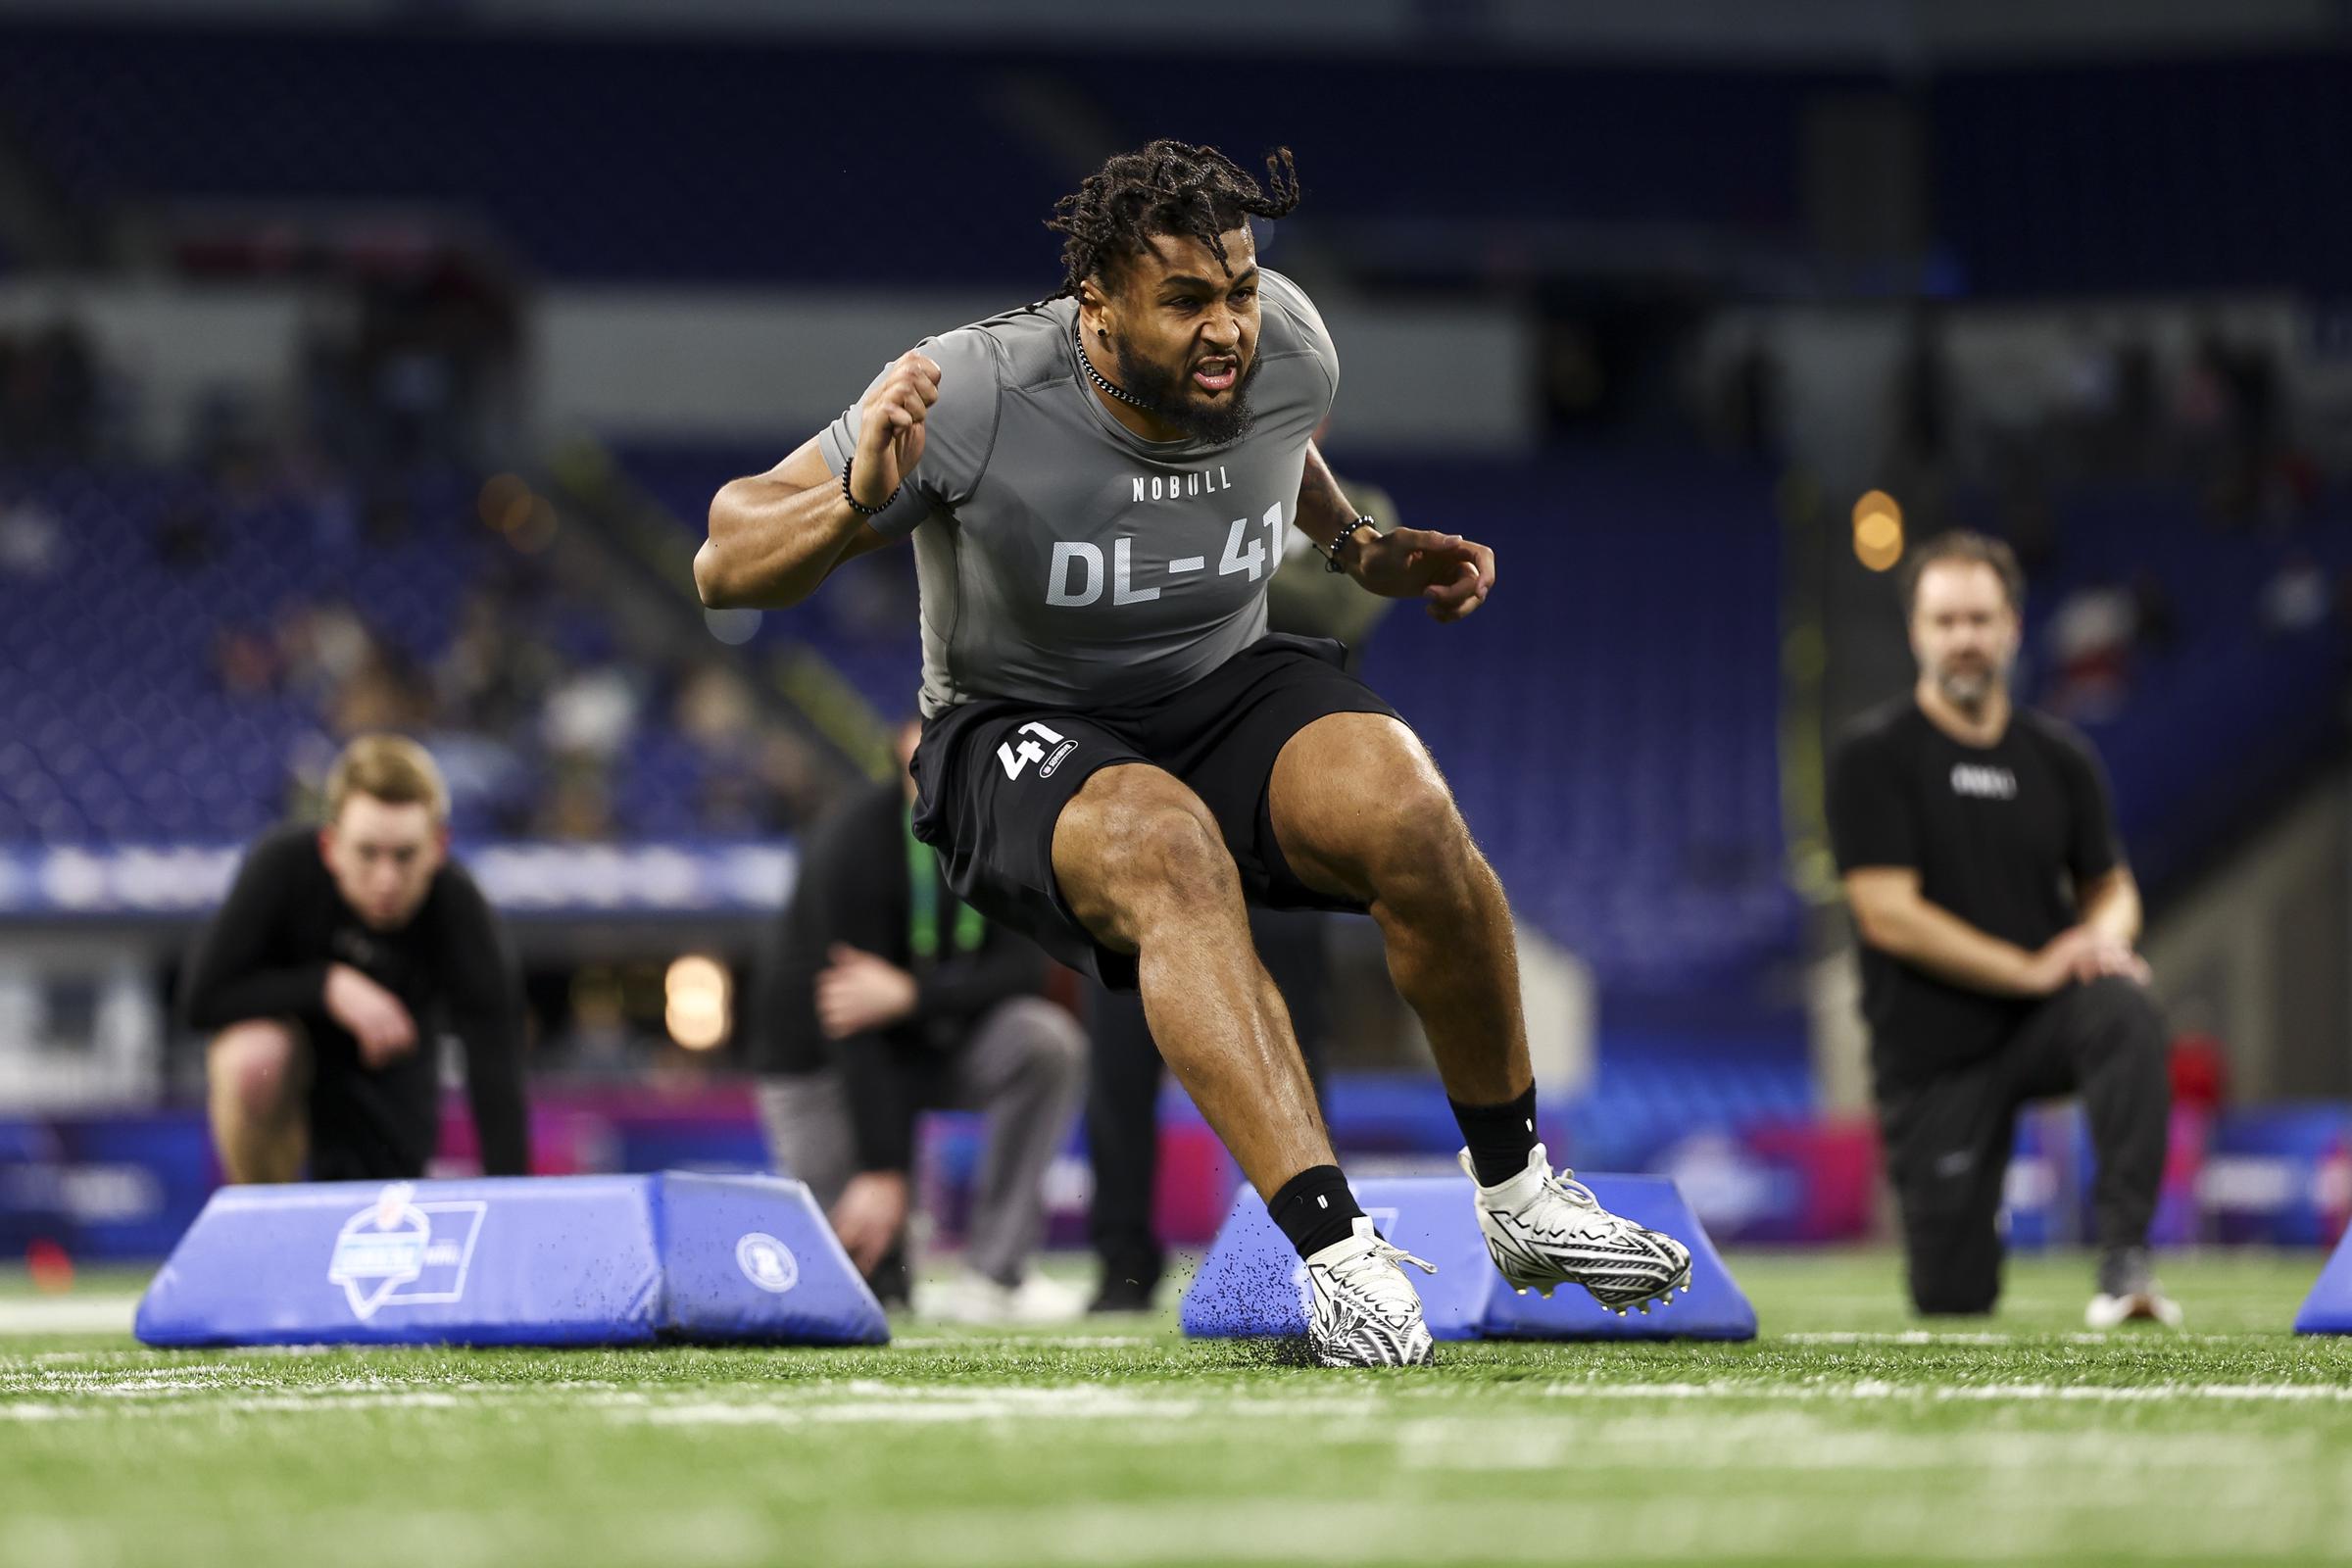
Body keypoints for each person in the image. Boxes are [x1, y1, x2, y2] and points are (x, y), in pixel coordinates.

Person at [698, 139, 1690, 1365]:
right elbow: (723, 555)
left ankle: (1523, 1197)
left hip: (1217, 680)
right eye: (1187, 302)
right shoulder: (974, 389)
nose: (1228, 329)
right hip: (1017, 722)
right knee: (1167, 848)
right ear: (1099, 308)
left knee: (1411, 812)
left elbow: (1280, 449)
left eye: (1241, 291)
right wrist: (855, 498)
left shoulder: (1291, 349)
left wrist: (1355, 546)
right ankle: (1339, 1260)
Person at [1827, 530, 2178, 1327]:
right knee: (1953, 1299)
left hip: (2043, 1024)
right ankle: (1967, 1233)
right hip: (1932, 1058)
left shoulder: (2060, 757)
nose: (1965, 639)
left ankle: (2127, 1261)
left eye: (1980, 620)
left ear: (2013, 626)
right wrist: (2030, 968)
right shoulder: (1872, 758)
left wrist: (2105, 940)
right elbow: (1888, 914)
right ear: (1917, 631)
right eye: (1946, 621)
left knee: (2122, 1003)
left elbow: (2109, 884)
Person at [1085, 457, 1400, 1312]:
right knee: (1118, 1055)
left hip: (1274, 820)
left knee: (1294, 1052)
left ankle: (1311, 1254)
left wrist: (1201, 567)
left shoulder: (1357, 504)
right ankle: (1122, 1263)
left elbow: (1342, 606)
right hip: (1153, 815)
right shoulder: (1157, 487)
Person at [755, 720, 1087, 1322]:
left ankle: (996, 1272)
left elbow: (1024, 972)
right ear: (897, 746)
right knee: (862, 1283)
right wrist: (883, 1170)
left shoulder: (1006, 830)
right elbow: (849, 1018)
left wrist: (912, 997)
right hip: (826, 1062)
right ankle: (891, 1239)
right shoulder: (851, 842)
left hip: (940, 1041)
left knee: (1046, 1041)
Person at [180, 734, 529, 1184]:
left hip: (393, 1070)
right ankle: (266, 1223)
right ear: (330, 846)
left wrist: (512, 1205)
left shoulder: (457, 905)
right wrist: (327, 986)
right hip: (289, 1073)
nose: (386, 879)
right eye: (367, 853)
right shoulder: (282, 867)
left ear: (438, 848)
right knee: (253, 1058)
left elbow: (495, 1062)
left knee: (380, 1218)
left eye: (405, 856)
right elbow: (200, 1000)